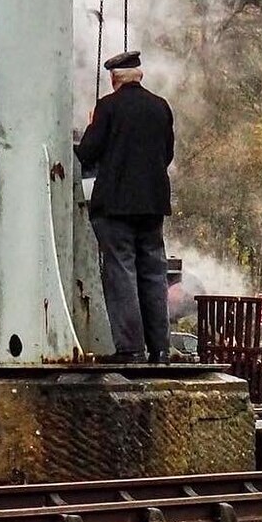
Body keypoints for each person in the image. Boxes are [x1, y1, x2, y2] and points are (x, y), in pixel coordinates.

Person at [74, 50, 175, 364]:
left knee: (122, 273)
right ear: (140, 75)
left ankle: (130, 348)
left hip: (115, 206)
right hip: (153, 205)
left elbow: (88, 152)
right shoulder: (161, 107)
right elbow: (167, 154)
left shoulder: (107, 107)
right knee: (154, 274)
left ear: (113, 79)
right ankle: (160, 349)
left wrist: (93, 127)